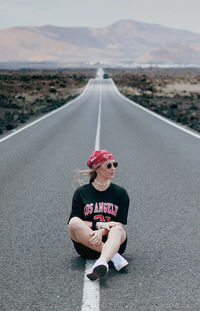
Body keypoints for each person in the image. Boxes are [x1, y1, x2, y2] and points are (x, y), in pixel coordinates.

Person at [68, 150, 130, 281]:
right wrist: (98, 226)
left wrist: (101, 232)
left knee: (118, 229)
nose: (113, 168)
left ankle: (102, 261)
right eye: (109, 165)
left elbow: (119, 224)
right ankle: (114, 258)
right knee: (73, 222)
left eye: (115, 164)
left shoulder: (120, 193)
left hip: (113, 243)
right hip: (87, 243)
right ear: (97, 168)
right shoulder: (81, 192)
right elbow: (75, 222)